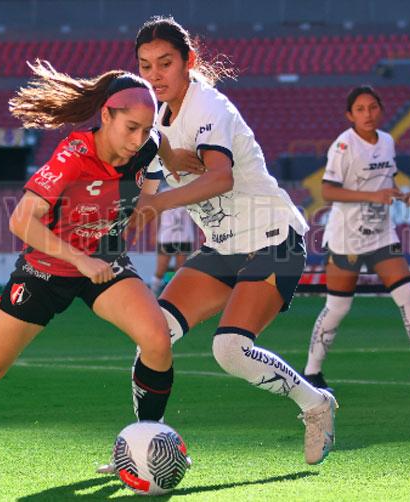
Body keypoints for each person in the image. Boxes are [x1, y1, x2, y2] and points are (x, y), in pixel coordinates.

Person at [0, 62, 182, 480]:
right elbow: (21, 222)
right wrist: (80, 258)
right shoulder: (73, 155)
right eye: (131, 128)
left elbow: (170, 164)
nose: (139, 139)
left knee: (157, 339)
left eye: (146, 129)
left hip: (104, 261)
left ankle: (140, 450)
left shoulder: (148, 145)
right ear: (106, 116)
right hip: (46, 270)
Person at [128, 16, 337, 465]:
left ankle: (316, 404)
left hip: (273, 239)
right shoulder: (158, 119)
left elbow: (220, 177)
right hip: (223, 246)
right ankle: (143, 449)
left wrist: (157, 204)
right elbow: (157, 181)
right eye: (146, 66)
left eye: (165, 63)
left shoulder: (209, 106)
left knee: (229, 348)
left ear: (190, 61)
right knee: (152, 334)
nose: (155, 75)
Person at [302, 86, 410, 394]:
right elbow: (328, 191)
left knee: (409, 296)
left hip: (380, 235)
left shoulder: (387, 141)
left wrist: (400, 195)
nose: (368, 114)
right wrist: (371, 195)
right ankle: (311, 372)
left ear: (381, 110)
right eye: (360, 109)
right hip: (346, 238)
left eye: (373, 107)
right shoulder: (343, 146)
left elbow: (384, 181)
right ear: (350, 115)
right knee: (338, 307)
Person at [150, 183, 197, 295]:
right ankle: (152, 294)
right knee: (161, 269)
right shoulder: (163, 192)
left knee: (180, 270)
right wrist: (154, 233)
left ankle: (176, 295)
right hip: (166, 236)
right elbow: (157, 214)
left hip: (184, 236)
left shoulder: (189, 190)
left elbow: (195, 214)